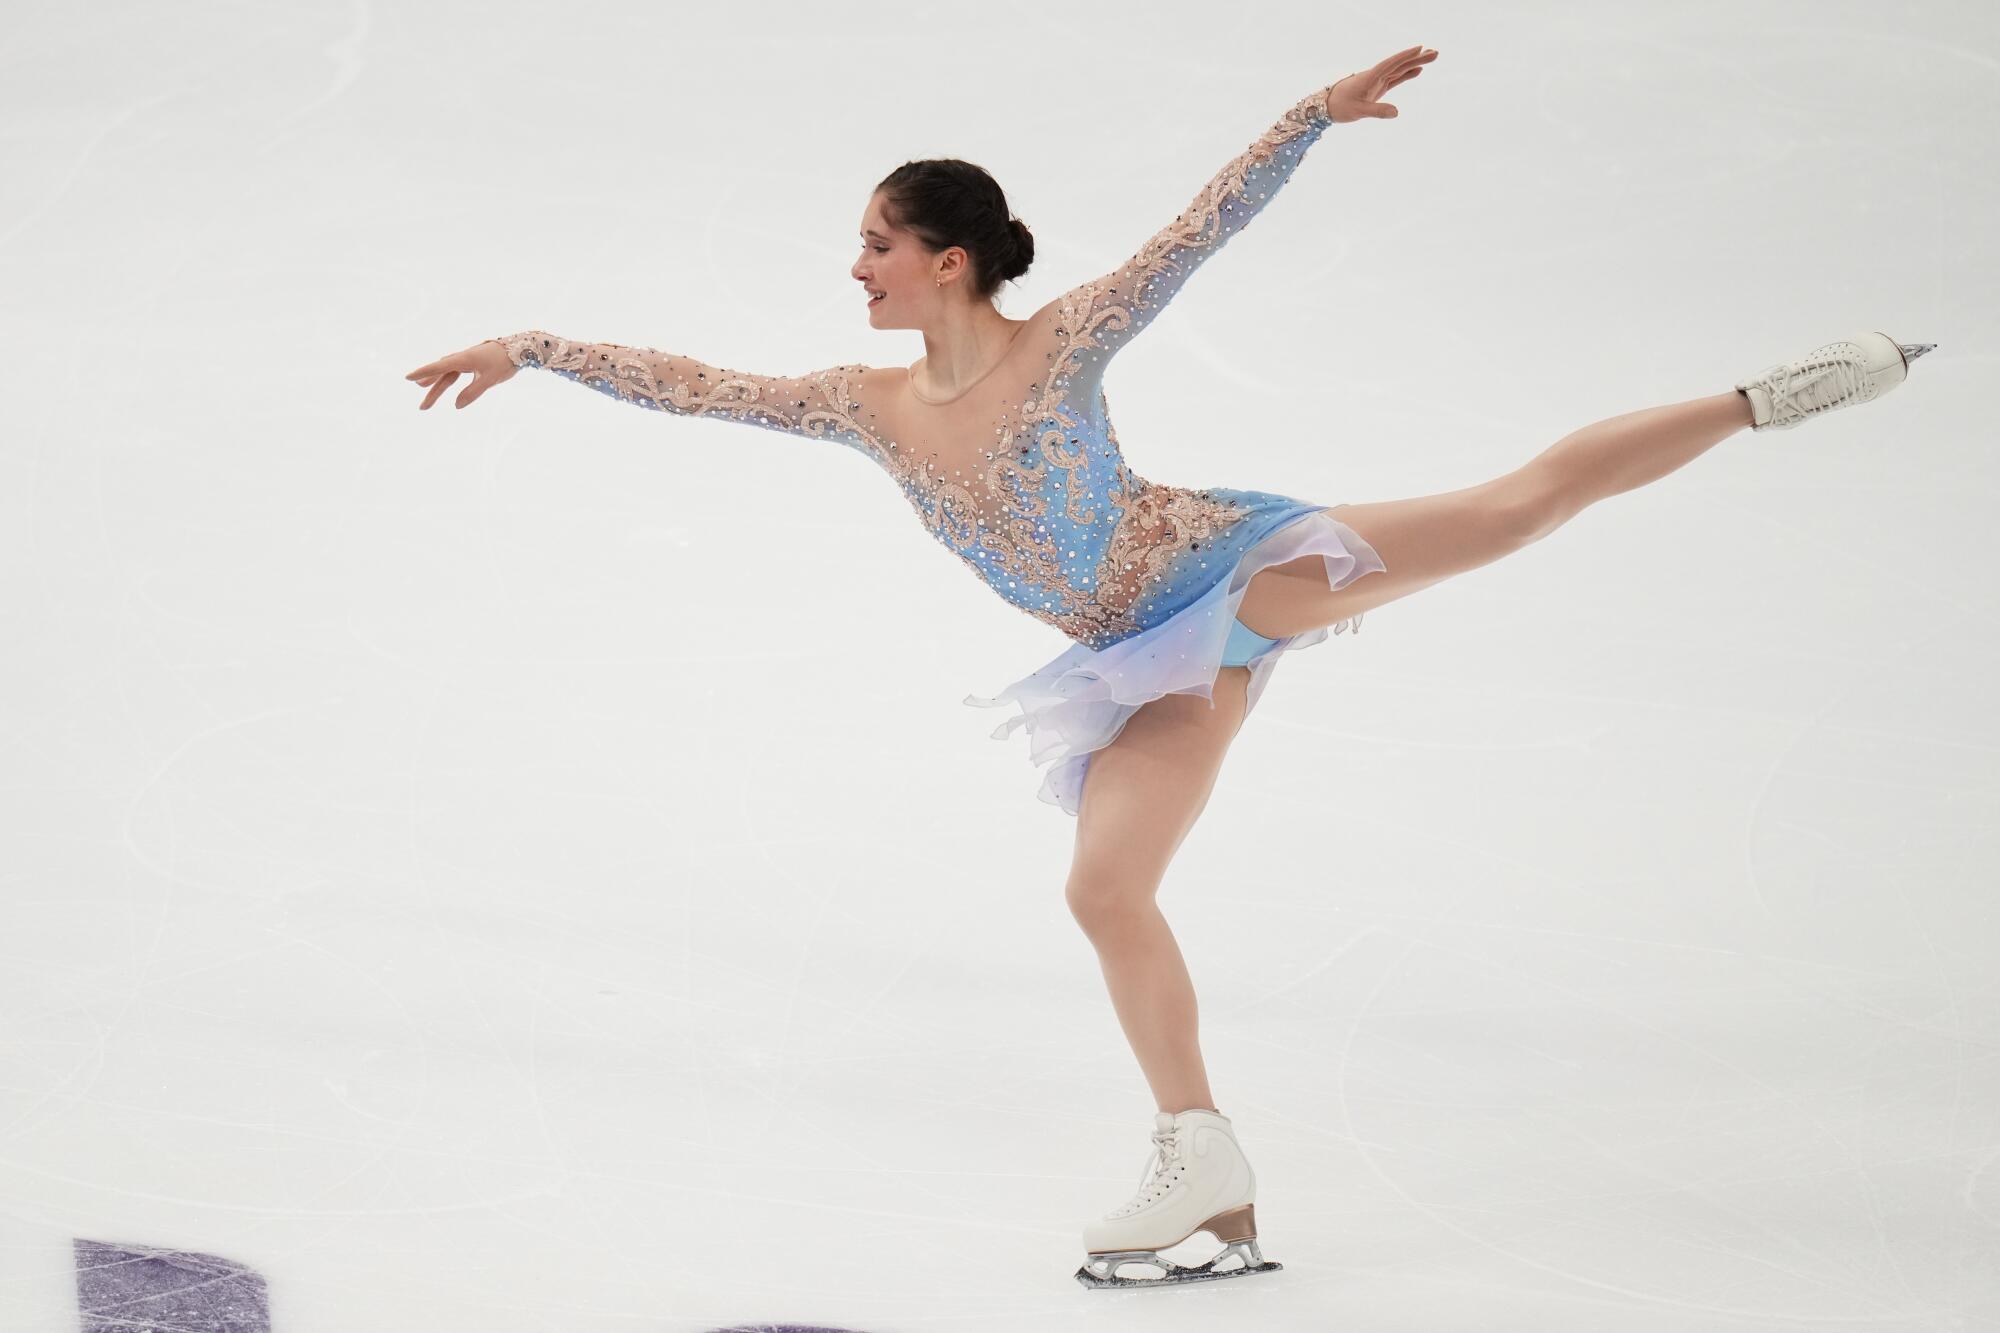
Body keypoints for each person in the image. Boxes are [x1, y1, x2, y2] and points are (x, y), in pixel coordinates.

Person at [405, 45, 1933, 1290]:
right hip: (1141, 660)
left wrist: (1306, 121)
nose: (854, 265)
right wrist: (535, 346)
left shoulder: (1057, 347)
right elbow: (697, 387)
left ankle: (1776, 393)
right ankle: (1202, 1159)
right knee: (1105, 887)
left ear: (948, 260)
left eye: (877, 241)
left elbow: (1192, 235)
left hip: (1229, 570)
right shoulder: (864, 408)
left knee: (1515, 507)